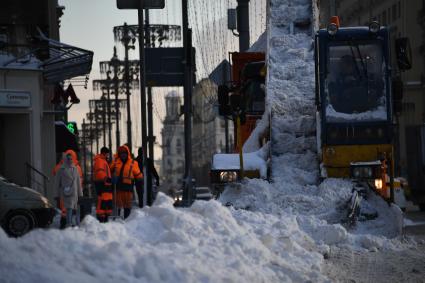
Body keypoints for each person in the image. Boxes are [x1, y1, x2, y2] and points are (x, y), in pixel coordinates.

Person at [52, 149, 83, 227]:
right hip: (66, 193)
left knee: (74, 209)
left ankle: (74, 224)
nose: (70, 159)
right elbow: (56, 183)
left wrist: (80, 194)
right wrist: (56, 194)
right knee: (68, 209)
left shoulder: (75, 169)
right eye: (68, 158)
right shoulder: (61, 169)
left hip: (74, 193)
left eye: (71, 158)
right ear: (65, 158)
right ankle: (68, 224)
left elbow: (78, 182)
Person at [111, 145, 143, 219]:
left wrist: (140, 179)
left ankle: (126, 220)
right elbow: (109, 170)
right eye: (121, 153)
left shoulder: (133, 163)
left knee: (127, 206)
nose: (123, 155)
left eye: (124, 153)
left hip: (128, 188)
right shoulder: (115, 162)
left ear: (127, 153)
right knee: (118, 204)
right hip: (118, 187)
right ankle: (117, 220)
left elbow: (138, 174)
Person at [93, 147, 113, 222]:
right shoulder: (100, 161)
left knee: (104, 201)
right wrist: (106, 179)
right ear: (104, 153)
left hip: (104, 184)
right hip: (102, 184)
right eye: (107, 153)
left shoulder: (102, 161)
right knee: (101, 201)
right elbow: (100, 172)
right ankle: (101, 217)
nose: (108, 155)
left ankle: (104, 216)